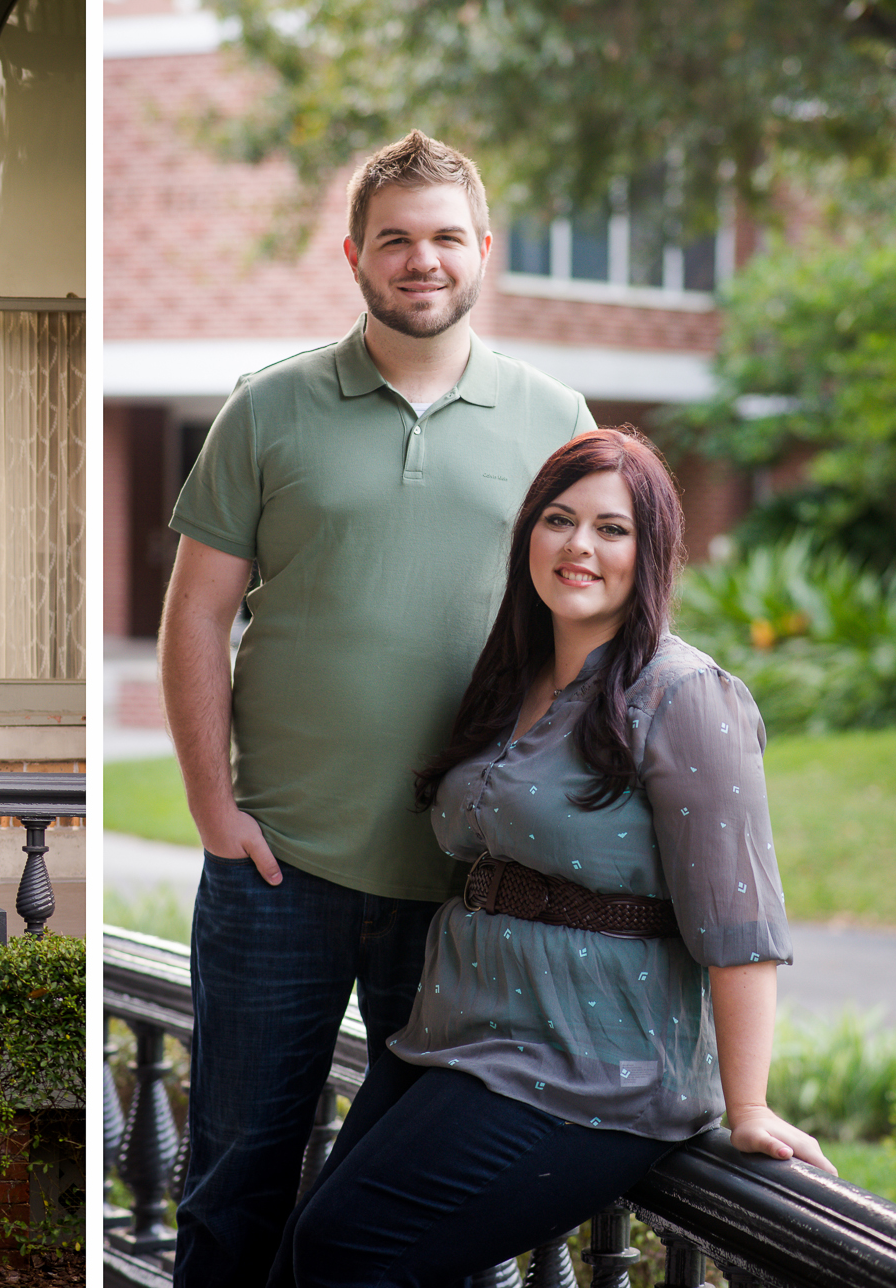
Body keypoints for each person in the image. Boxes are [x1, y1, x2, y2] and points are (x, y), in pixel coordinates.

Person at [162, 131, 596, 1287]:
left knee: (402, 1211)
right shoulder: (266, 407)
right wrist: (212, 811)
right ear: (353, 254)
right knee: (231, 1183)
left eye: (445, 237)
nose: (421, 260)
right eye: (394, 238)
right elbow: (194, 614)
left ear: (483, 251)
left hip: (465, 885)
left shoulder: (556, 419)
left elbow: (586, 637)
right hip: (276, 869)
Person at [270, 428, 831, 1288]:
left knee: (346, 1249)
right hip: (457, 1038)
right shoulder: (512, 679)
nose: (580, 546)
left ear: (651, 552)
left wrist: (748, 1104)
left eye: (613, 528)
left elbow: (739, 918)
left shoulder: (684, 694)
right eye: (560, 519)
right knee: (303, 1255)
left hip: (593, 1069)